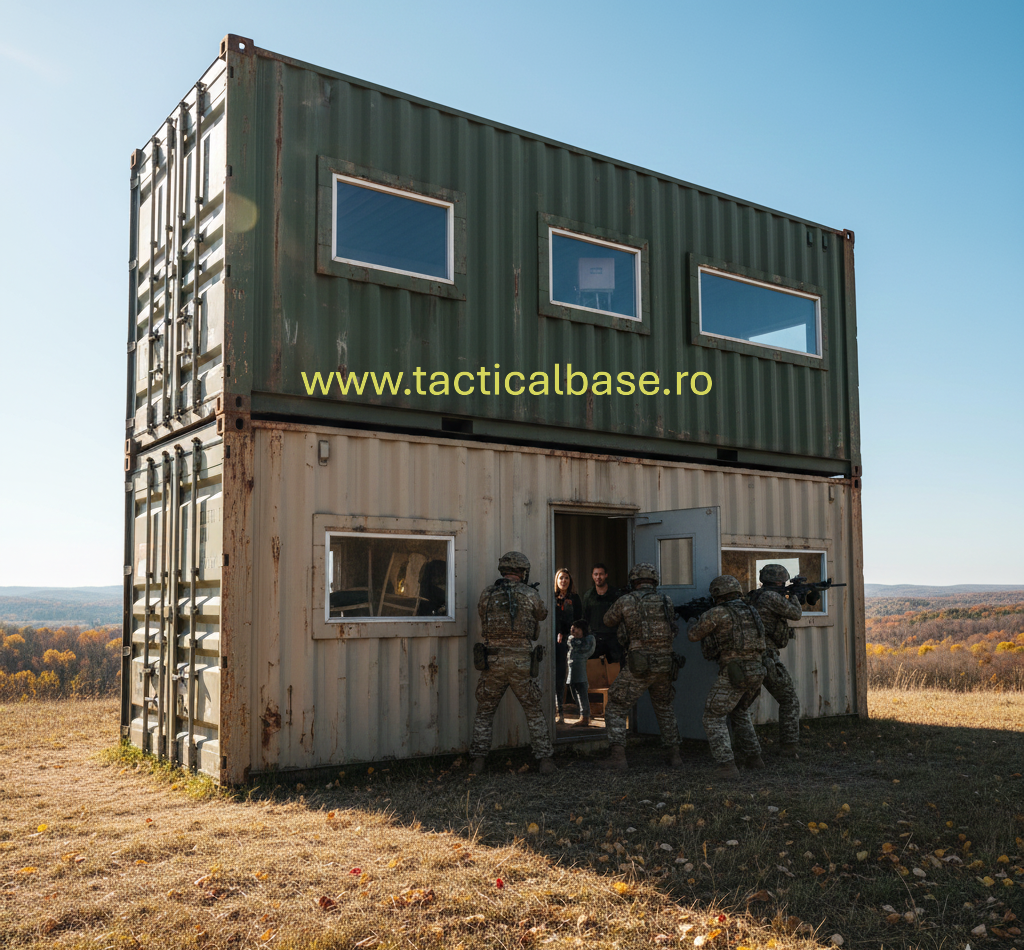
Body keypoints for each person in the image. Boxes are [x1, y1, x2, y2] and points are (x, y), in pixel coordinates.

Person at [469, 551, 556, 775]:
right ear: (523, 572)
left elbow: (481, 613)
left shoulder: (487, 593)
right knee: (533, 710)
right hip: (520, 662)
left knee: (485, 712)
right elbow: (543, 614)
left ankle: (478, 761)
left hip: (494, 661)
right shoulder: (529, 593)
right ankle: (545, 760)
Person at [598, 563, 683, 770]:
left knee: (616, 706)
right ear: (654, 580)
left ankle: (618, 756)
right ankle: (674, 756)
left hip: (640, 664)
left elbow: (608, 620)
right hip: (665, 663)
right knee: (664, 709)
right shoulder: (666, 600)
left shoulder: (627, 600)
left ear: (633, 581)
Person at [687, 574, 767, 780]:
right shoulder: (751, 610)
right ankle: (754, 758)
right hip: (758, 670)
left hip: (736, 672)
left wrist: (694, 619)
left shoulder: (717, 613)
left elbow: (693, 635)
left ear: (717, 594)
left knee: (713, 716)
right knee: (739, 712)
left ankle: (727, 767)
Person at [747, 564, 803, 756]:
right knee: (789, 700)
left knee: (741, 706)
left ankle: (743, 746)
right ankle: (789, 746)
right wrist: (794, 596)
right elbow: (796, 614)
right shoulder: (771, 597)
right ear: (780, 581)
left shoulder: (754, 595)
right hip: (766, 657)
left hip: (748, 657)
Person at [553, 568, 582, 723]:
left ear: (570, 581)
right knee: (557, 676)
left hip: (571, 642)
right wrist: (557, 632)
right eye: (561, 578)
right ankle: (559, 713)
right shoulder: (553, 598)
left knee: (572, 676)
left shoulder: (575, 598)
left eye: (566, 578)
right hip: (556, 642)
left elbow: (579, 620)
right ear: (557, 581)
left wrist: (573, 635)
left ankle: (582, 712)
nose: (563, 581)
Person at [581, 563, 622, 664]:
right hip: (595, 639)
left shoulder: (615, 594)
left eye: (601, 574)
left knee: (615, 671)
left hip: (613, 639)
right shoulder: (588, 596)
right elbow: (585, 618)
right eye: (596, 574)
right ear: (592, 576)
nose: (598, 577)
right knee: (595, 670)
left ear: (606, 575)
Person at [565, 619, 596, 727]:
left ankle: (585, 716)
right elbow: (571, 642)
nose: (573, 631)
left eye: (576, 628)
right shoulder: (571, 639)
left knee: (581, 691)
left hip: (580, 668)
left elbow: (584, 647)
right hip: (572, 668)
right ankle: (583, 715)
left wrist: (575, 640)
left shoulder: (589, 639)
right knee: (575, 693)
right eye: (572, 628)